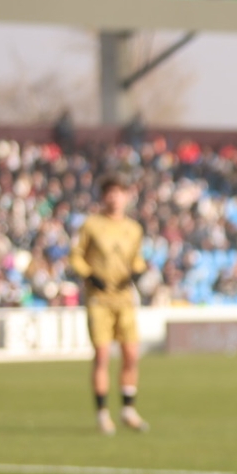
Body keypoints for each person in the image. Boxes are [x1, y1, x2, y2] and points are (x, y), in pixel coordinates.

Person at [71, 175, 148, 434]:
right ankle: (103, 413)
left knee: (131, 354)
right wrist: (90, 275)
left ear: (127, 196)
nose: (114, 197)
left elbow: (138, 259)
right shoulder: (91, 225)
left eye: (119, 192)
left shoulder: (134, 228)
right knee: (102, 355)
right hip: (98, 299)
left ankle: (128, 409)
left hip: (125, 299)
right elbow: (76, 257)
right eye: (110, 192)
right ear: (104, 196)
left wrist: (137, 272)